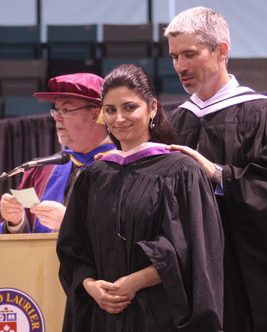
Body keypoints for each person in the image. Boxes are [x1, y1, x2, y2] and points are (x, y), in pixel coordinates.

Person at [57, 63, 224, 332]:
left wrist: (135, 282)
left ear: (153, 108)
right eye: (110, 110)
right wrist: (89, 285)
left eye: (129, 107)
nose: (119, 118)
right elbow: (73, 248)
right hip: (102, 317)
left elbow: (193, 250)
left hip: (158, 315)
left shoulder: (181, 171)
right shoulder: (94, 176)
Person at [164, 6, 267, 332]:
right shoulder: (173, 123)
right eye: (174, 57)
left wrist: (219, 175)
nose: (180, 67)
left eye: (190, 54)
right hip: (187, 275)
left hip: (244, 273)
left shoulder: (259, 114)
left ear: (221, 50)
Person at [0, 73, 116, 234]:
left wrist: (69, 223)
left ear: (95, 115)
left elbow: (125, 235)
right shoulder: (43, 169)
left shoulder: (122, 169)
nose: (57, 118)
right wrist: (15, 222)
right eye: (56, 110)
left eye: (66, 110)